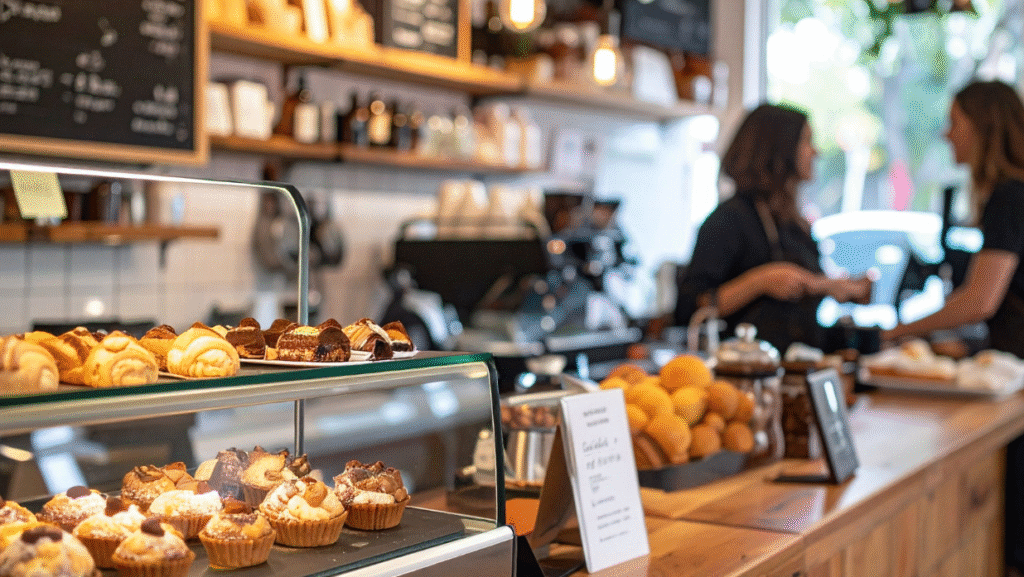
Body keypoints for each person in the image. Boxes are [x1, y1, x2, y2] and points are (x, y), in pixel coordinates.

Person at [879, 79, 1024, 576]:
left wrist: (896, 332)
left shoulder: (1010, 196)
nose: (946, 134)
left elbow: (980, 300)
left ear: (984, 127)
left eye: (955, 122)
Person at [675, 103, 870, 353]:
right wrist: (760, 281)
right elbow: (689, 310)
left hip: (799, 365)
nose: (815, 152)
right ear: (778, 149)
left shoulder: (795, 225)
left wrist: (839, 288)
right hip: (746, 370)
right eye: (806, 141)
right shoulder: (729, 220)